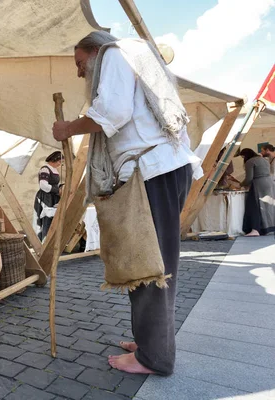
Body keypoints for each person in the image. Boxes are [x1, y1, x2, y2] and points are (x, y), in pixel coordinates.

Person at [52, 31, 202, 376]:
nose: (79, 73)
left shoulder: (116, 54)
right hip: (158, 172)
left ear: (93, 51)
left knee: (151, 267)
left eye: (79, 63)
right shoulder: (132, 57)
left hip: (154, 174)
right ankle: (152, 341)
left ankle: (155, 357)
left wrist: (68, 128)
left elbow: (113, 113)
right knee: (148, 264)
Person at [238, 148, 275, 236]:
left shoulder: (250, 162)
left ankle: (255, 229)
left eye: (243, 157)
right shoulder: (264, 160)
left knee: (255, 206)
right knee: (269, 206)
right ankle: (269, 227)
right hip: (269, 183)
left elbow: (249, 178)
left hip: (259, 184)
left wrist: (240, 184)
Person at [33, 151, 63, 241]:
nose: (60, 164)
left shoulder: (55, 170)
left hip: (53, 197)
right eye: (59, 162)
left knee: (51, 219)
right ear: (54, 159)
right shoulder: (45, 169)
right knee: (45, 218)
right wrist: (57, 190)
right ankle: (43, 241)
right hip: (45, 197)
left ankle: (50, 240)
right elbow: (43, 185)